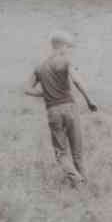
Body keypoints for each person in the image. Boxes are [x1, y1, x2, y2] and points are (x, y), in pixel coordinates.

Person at [24, 31, 97, 185]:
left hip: (52, 111)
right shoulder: (65, 61)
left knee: (61, 153)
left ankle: (77, 181)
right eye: (68, 47)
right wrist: (90, 101)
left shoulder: (40, 67)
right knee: (77, 149)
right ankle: (82, 181)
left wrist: (43, 93)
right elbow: (77, 81)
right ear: (61, 46)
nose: (69, 50)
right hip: (70, 108)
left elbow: (27, 89)